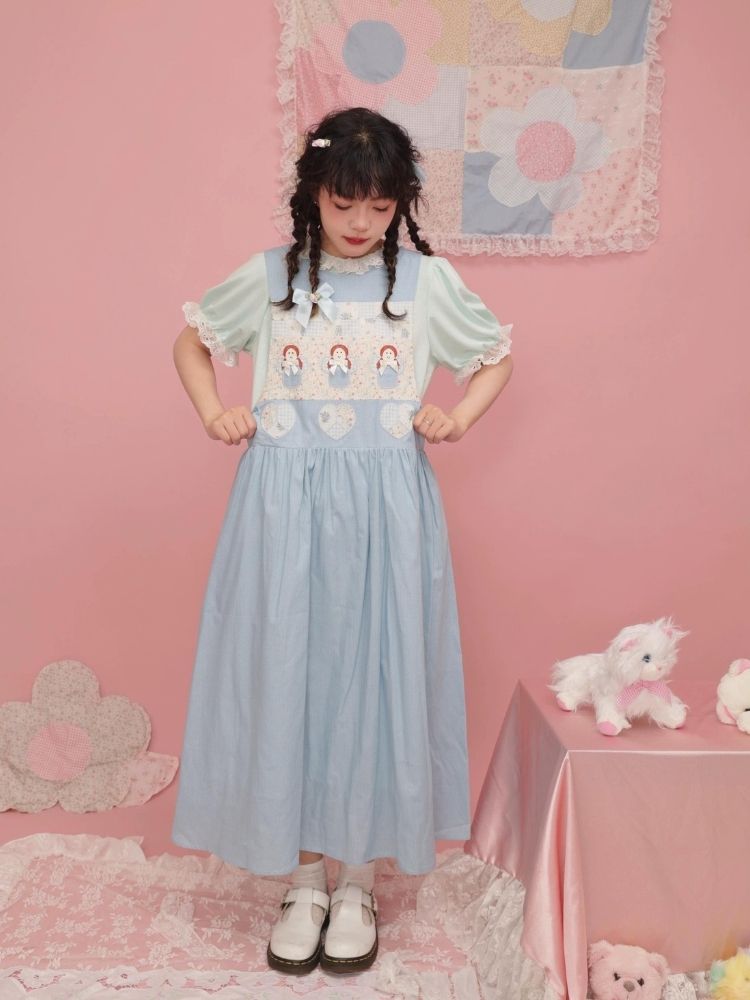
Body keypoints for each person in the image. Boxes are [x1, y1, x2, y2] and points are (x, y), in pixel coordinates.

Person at [170, 106, 514, 977]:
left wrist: (458, 417)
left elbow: (494, 357)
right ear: (312, 195)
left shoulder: (425, 284)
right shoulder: (274, 278)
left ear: (401, 204)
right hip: (283, 513)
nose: (361, 222)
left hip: (386, 514)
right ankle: (303, 880)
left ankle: (358, 878)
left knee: (376, 676)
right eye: (343, 202)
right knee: (291, 673)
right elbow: (192, 345)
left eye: (380, 206)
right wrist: (216, 412)